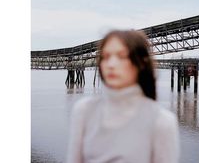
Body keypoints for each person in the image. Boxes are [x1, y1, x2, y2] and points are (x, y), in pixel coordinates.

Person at [66, 30, 180, 163]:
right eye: (106, 57)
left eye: (121, 56)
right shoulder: (84, 111)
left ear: (142, 63)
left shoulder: (162, 122)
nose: (111, 64)